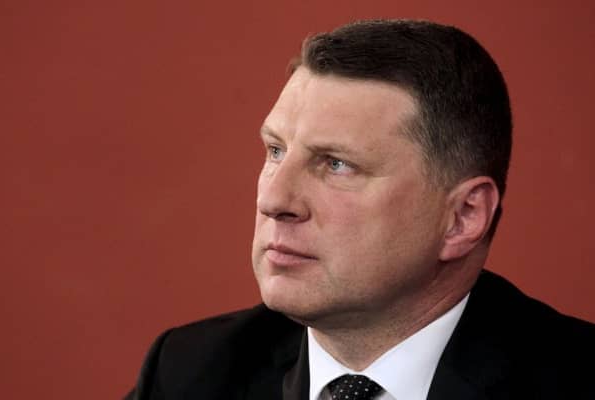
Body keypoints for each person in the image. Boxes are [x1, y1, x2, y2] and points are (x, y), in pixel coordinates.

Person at [125, 19, 595, 399]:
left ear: (463, 217)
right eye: (276, 151)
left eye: (337, 164)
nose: (274, 201)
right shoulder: (190, 372)